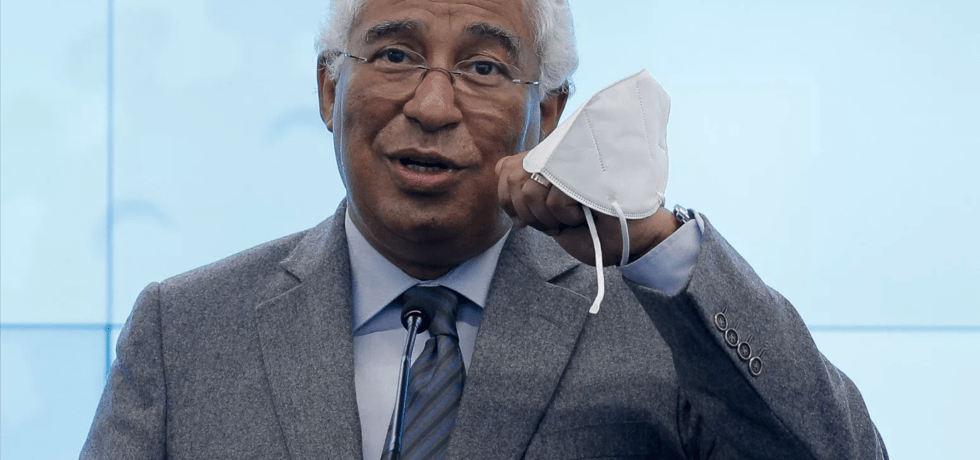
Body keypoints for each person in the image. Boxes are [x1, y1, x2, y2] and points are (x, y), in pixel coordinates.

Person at [81, 0, 888, 458]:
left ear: (550, 114)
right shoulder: (183, 330)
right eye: (394, 56)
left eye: (484, 68)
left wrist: (654, 246)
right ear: (329, 90)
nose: (432, 106)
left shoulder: (664, 321)